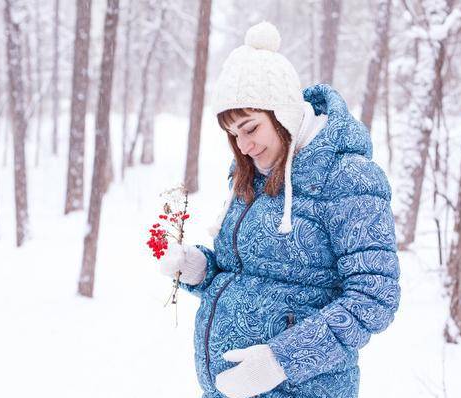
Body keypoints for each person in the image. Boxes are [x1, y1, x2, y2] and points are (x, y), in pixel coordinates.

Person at [159, 21, 401, 398]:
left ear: (283, 115)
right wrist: (201, 270)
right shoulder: (249, 176)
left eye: (251, 128)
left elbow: (374, 297)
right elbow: (246, 273)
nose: (244, 146)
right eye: (234, 134)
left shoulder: (348, 177)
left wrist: (281, 360)